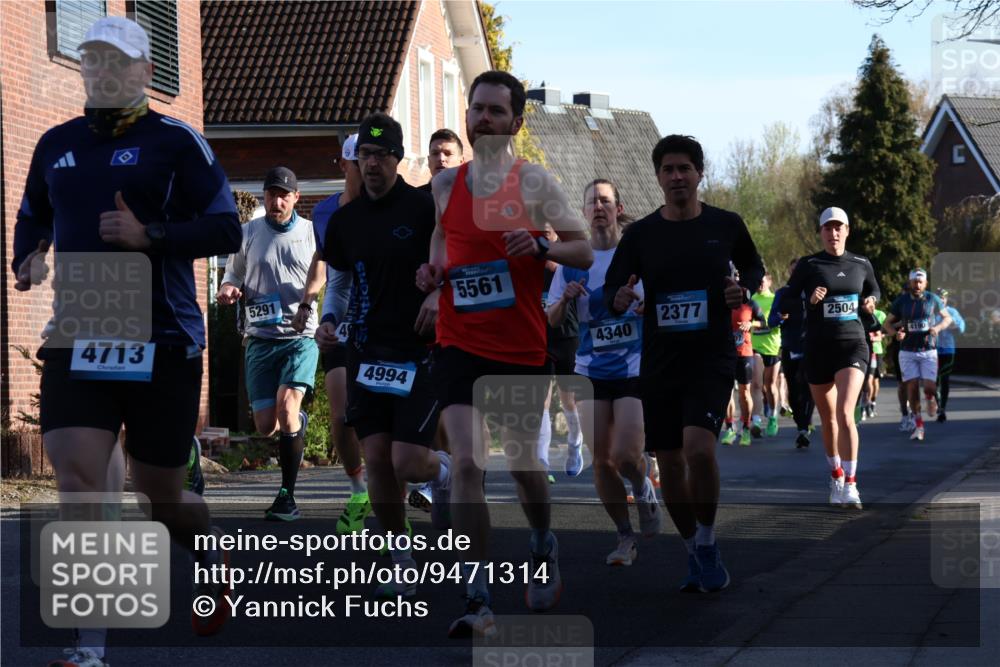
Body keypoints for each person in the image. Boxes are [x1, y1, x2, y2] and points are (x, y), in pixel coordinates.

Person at [12, 17, 241, 665]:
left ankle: (209, 552)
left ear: (144, 72)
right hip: (80, 331)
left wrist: (153, 237)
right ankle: (90, 647)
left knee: (158, 492)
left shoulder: (177, 143)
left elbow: (226, 229)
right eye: (92, 60)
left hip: (161, 337)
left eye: (118, 61)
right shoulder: (55, 143)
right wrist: (29, 256)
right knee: (80, 480)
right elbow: (33, 212)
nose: (102, 72)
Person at [416, 70, 593, 635]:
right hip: (458, 340)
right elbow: (443, 237)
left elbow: (584, 250)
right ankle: (477, 595)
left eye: (495, 110)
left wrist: (543, 243)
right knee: (467, 462)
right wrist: (435, 270)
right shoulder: (446, 185)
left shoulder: (534, 182)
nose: (483, 119)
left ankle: (542, 542)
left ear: (516, 121)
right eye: (476, 109)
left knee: (523, 468)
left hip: (518, 346)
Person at [604, 134, 765, 593]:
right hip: (660, 362)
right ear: (658, 178)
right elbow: (613, 288)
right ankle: (693, 546)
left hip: (711, 357)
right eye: (668, 170)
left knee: (699, 451)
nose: (677, 176)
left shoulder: (726, 224)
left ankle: (710, 540)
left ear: (699, 173)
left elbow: (752, 268)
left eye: (684, 168)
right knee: (671, 463)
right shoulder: (640, 234)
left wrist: (744, 291)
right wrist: (618, 296)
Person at [323, 112, 450, 597]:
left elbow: (449, 262)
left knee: (408, 463)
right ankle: (400, 557)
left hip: (418, 350)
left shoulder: (422, 209)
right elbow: (338, 283)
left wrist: (438, 297)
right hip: (365, 350)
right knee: (376, 457)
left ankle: (441, 471)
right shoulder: (345, 221)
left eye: (381, 155)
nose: (372, 164)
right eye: (364, 156)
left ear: (397, 158)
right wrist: (330, 320)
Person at [547, 179, 660, 566]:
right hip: (589, 369)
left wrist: (644, 306)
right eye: (592, 201)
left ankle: (643, 488)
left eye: (606, 201)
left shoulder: (637, 256)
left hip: (632, 366)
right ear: (583, 211)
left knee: (627, 457)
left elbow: (658, 304)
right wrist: (564, 299)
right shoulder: (573, 262)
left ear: (618, 207)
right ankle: (625, 537)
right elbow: (550, 317)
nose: (599, 206)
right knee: (602, 462)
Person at [218, 166, 321, 521]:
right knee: (265, 425)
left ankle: (286, 496)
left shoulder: (310, 233)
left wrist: (307, 303)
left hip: (299, 337)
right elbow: (234, 273)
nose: (277, 201)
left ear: (296, 198)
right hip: (260, 337)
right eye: (271, 194)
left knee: (287, 407)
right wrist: (229, 288)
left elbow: (323, 273)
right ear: (263, 196)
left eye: (284, 195)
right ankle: (294, 422)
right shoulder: (248, 233)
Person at [298, 134, 373, 535]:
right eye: (357, 162)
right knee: (344, 415)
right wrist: (317, 310)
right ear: (343, 165)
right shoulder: (325, 213)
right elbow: (325, 266)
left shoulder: (391, 207)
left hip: (385, 325)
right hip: (343, 322)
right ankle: (359, 489)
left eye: (371, 160)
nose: (366, 169)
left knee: (382, 417)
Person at [781, 207, 879, 509]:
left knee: (845, 413)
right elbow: (786, 299)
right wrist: (808, 301)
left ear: (847, 231)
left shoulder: (861, 263)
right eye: (828, 228)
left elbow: (874, 288)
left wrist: (872, 300)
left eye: (839, 228)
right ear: (821, 232)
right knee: (828, 419)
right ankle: (836, 476)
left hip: (853, 345)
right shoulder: (809, 265)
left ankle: (851, 483)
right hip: (818, 347)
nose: (833, 233)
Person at [539, 224, 585, 483]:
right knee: (541, 400)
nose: (545, 230)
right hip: (541, 338)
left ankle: (574, 442)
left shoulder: (567, 265)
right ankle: (542, 461)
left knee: (568, 401)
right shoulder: (532, 265)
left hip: (568, 336)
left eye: (549, 227)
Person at [885, 269, 951, 442]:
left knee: (929, 387)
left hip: (928, 350)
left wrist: (937, 328)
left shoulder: (933, 299)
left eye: (921, 282)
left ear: (926, 283)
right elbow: (887, 323)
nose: (918, 285)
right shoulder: (901, 301)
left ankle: (930, 397)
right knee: (912, 388)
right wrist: (895, 334)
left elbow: (947, 319)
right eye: (915, 281)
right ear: (910, 282)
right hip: (907, 351)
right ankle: (918, 425)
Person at [770, 258, 816, 449]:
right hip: (790, 346)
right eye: (793, 271)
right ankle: (801, 425)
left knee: (808, 386)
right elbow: (771, 320)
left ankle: (804, 427)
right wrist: (780, 318)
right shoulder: (783, 293)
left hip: (810, 346)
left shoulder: (812, 292)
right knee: (794, 390)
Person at [723, 284, 766, 446]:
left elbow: (763, 322)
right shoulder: (722, 300)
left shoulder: (750, 303)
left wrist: (751, 324)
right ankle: (730, 428)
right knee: (726, 392)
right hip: (726, 354)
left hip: (744, 353)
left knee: (744, 392)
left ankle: (746, 427)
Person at [750, 274, 782, 437]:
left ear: (769, 282)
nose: (759, 285)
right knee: (756, 383)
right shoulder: (750, 299)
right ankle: (755, 420)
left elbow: (776, 320)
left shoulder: (775, 299)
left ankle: (772, 417)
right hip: (755, 347)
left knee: (769, 386)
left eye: (762, 282)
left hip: (772, 346)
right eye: (757, 282)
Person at [934, 288, 965, 422]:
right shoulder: (930, 311)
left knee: (944, 378)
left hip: (948, 350)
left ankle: (942, 408)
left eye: (943, 297)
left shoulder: (952, 312)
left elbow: (961, 328)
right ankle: (938, 402)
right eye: (939, 297)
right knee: (933, 381)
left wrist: (950, 323)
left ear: (946, 299)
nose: (941, 299)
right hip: (932, 350)